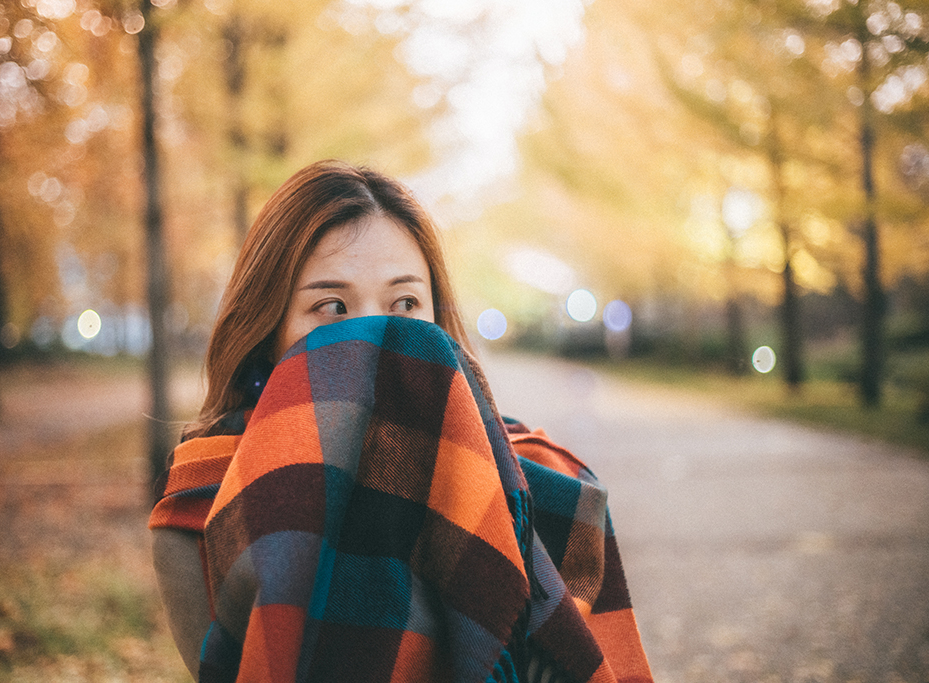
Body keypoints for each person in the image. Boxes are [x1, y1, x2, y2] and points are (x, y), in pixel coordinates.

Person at [150, 160, 653, 683]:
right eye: (333, 307)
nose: (380, 338)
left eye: (405, 303)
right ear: (267, 328)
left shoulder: (543, 479)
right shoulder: (204, 499)